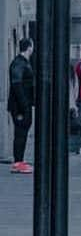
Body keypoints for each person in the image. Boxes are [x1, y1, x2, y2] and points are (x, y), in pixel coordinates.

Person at [7, 37, 34, 173]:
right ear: (29, 47)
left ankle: (20, 160)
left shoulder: (22, 63)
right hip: (20, 106)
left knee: (22, 132)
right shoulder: (19, 64)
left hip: (23, 104)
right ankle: (18, 162)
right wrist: (24, 105)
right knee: (20, 132)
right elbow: (17, 84)